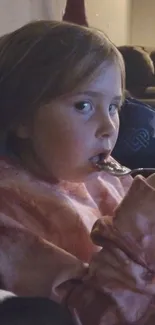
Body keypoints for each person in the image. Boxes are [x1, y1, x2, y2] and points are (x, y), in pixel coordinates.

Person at [0, 20, 155, 325]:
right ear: (21, 118)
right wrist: (139, 226)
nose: (109, 126)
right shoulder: (10, 221)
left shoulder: (109, 180)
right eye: (84, 105)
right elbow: (88, 317)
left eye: (114, 106)